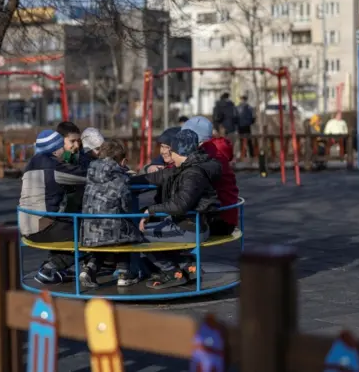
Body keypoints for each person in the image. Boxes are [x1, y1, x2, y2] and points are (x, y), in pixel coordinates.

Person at [130, 129, 222, 289]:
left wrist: (150, 210)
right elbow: (159, 176)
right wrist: (127, 179)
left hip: (190, 229)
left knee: (137, 235)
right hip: (188, 225)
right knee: (151, 230)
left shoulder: (193, 173)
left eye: (172, 151)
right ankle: (188, 266)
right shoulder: (185, 167)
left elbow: (180, 204)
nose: (169, 156)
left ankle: (172, 272)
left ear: (179, 152)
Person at [18, 129, 88, 284]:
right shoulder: (55, 166)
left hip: (26, 225)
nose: (64, 150)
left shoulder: (31, 163)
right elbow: (86, 176)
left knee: (72, 225)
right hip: (42, 227)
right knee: (94, 232)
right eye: (62, 147)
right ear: (56, 150)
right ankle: (50, 268)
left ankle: (55, 265)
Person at [79, 140, 144, 288]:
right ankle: (124, 273)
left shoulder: (91, 172)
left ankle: (89, 269)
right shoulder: (120, 176)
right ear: (122, 160)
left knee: (104, 239)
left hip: (88, 227)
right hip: (111, 228)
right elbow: (126, 206)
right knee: (127, 232)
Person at [183, 116, 240, 235]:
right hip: (227, 215)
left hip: (217, 219)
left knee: (162, 225)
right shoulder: (216, 151)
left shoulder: (205, 155)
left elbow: (182, 171)